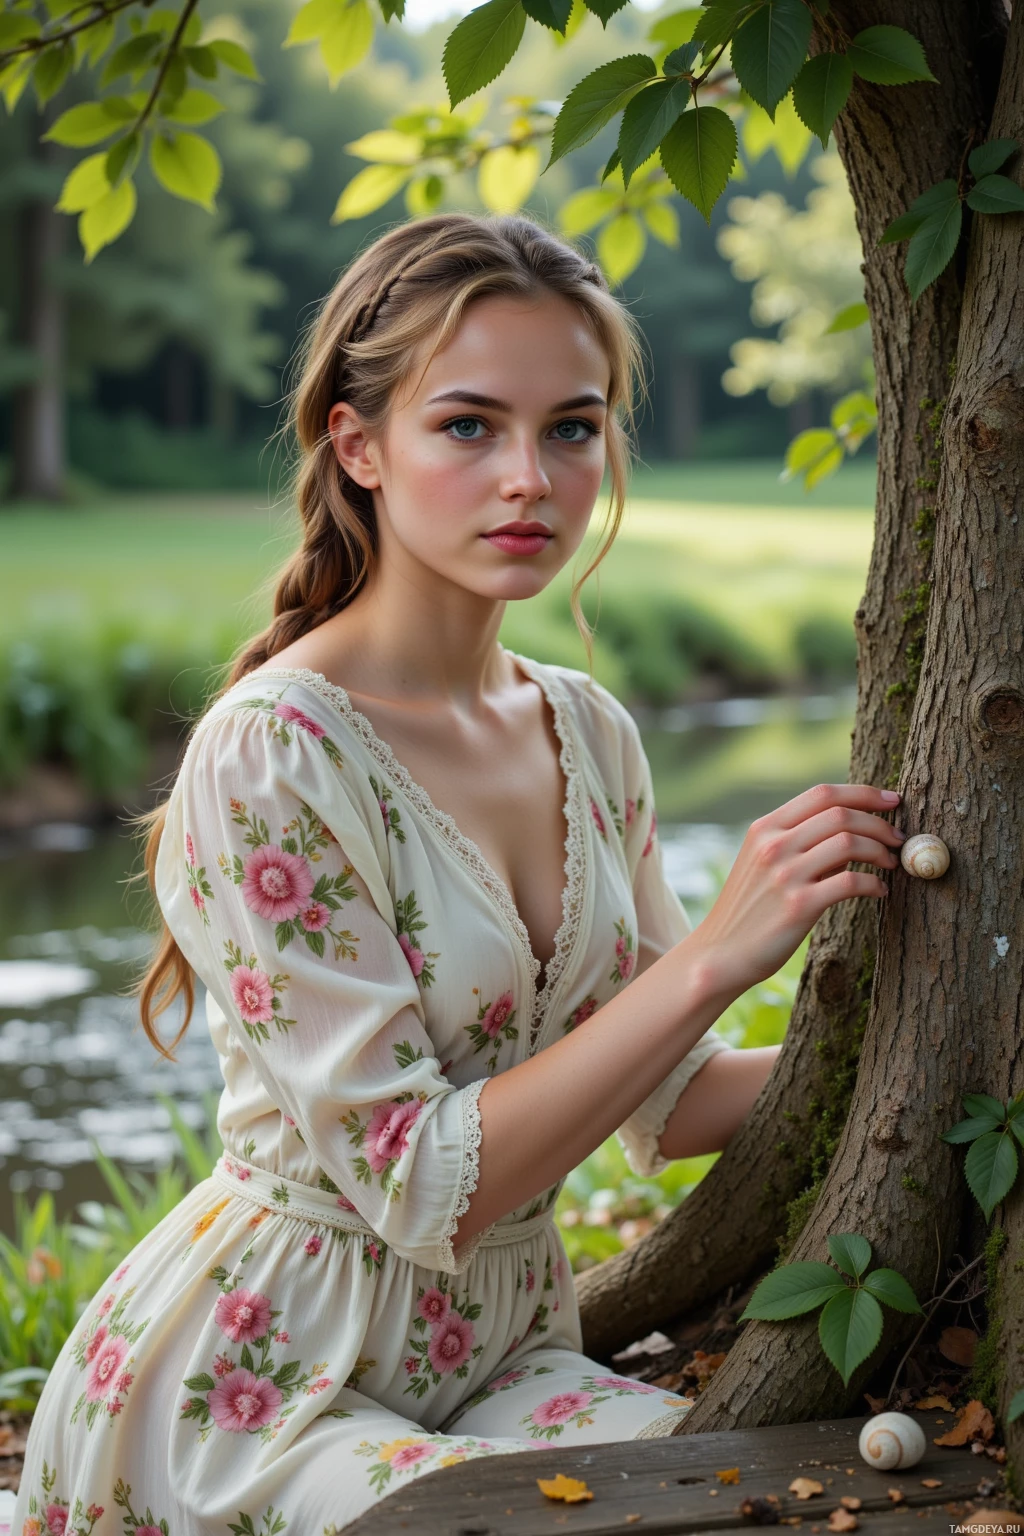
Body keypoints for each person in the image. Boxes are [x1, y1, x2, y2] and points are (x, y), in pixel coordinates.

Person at [14, 212, 905, 1536]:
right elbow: (421, 1182)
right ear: (359, 445)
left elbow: (665, 1104)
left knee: (741, 1501)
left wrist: (949, 1069)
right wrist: (718, 956)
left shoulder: (590, 733)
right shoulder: (272, 756)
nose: (530, 480)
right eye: (469, 426)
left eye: (573, 428)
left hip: (504, 1360)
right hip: (265, 1390)